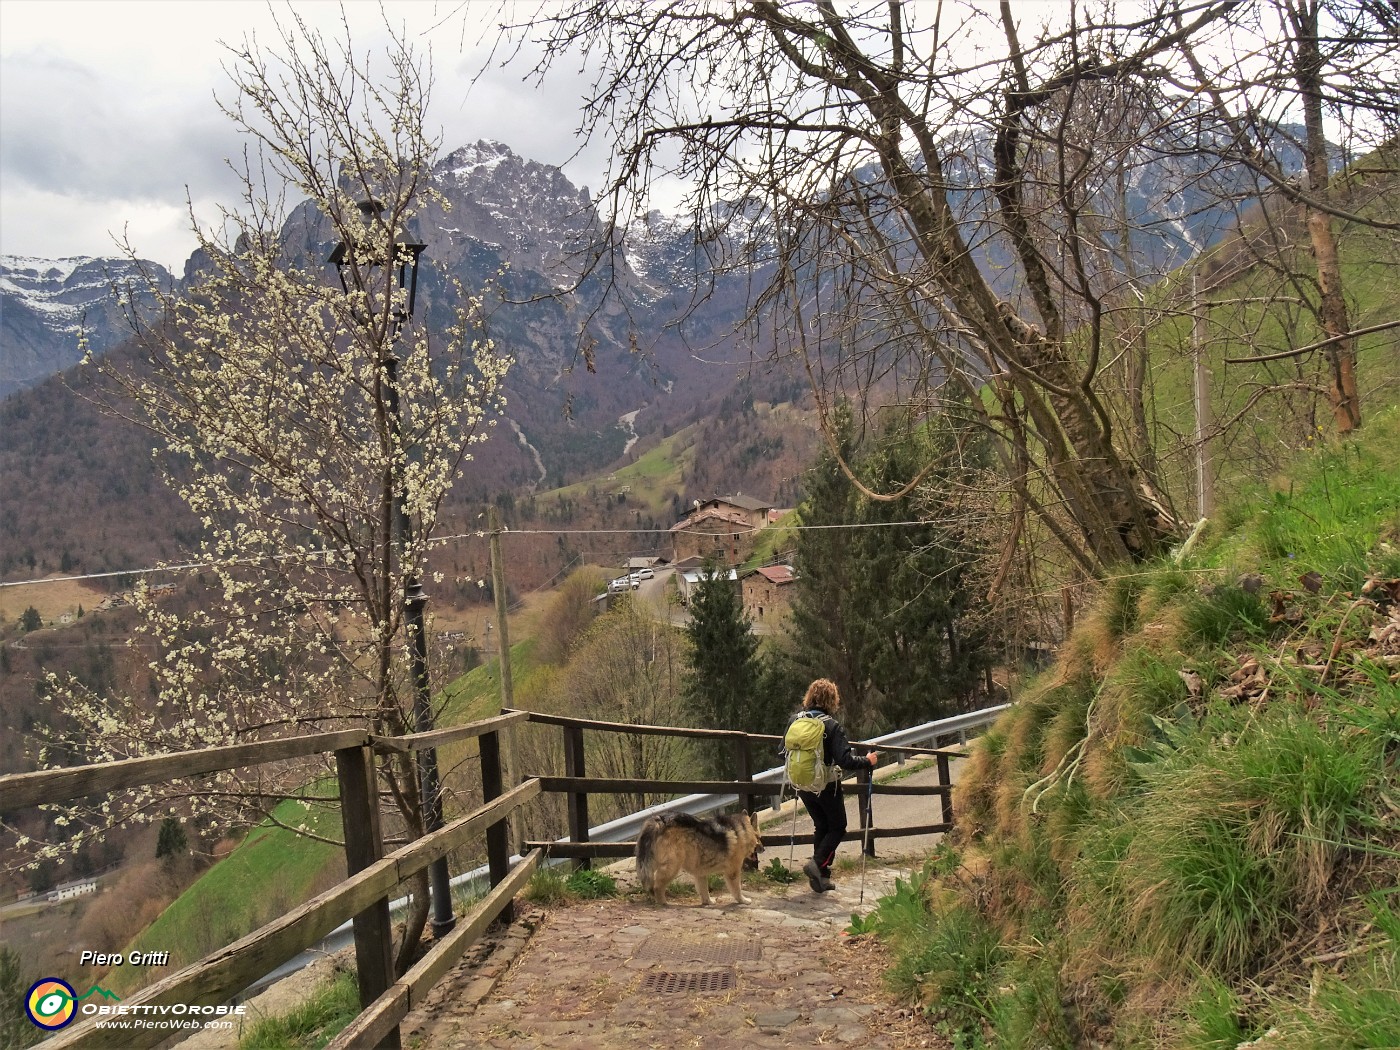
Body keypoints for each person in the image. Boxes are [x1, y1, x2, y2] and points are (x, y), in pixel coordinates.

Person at [786, 678, 878, 893]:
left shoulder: (794, 721)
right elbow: (845, 761)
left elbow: (782, 752)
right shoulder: (831, 725)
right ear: (832, 700)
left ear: (809, 697)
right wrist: (868, 761)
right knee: (837, 827)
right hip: (826, 784)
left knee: (822, 826)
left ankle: (822, 878)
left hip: (802, 784)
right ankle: (817, 864)